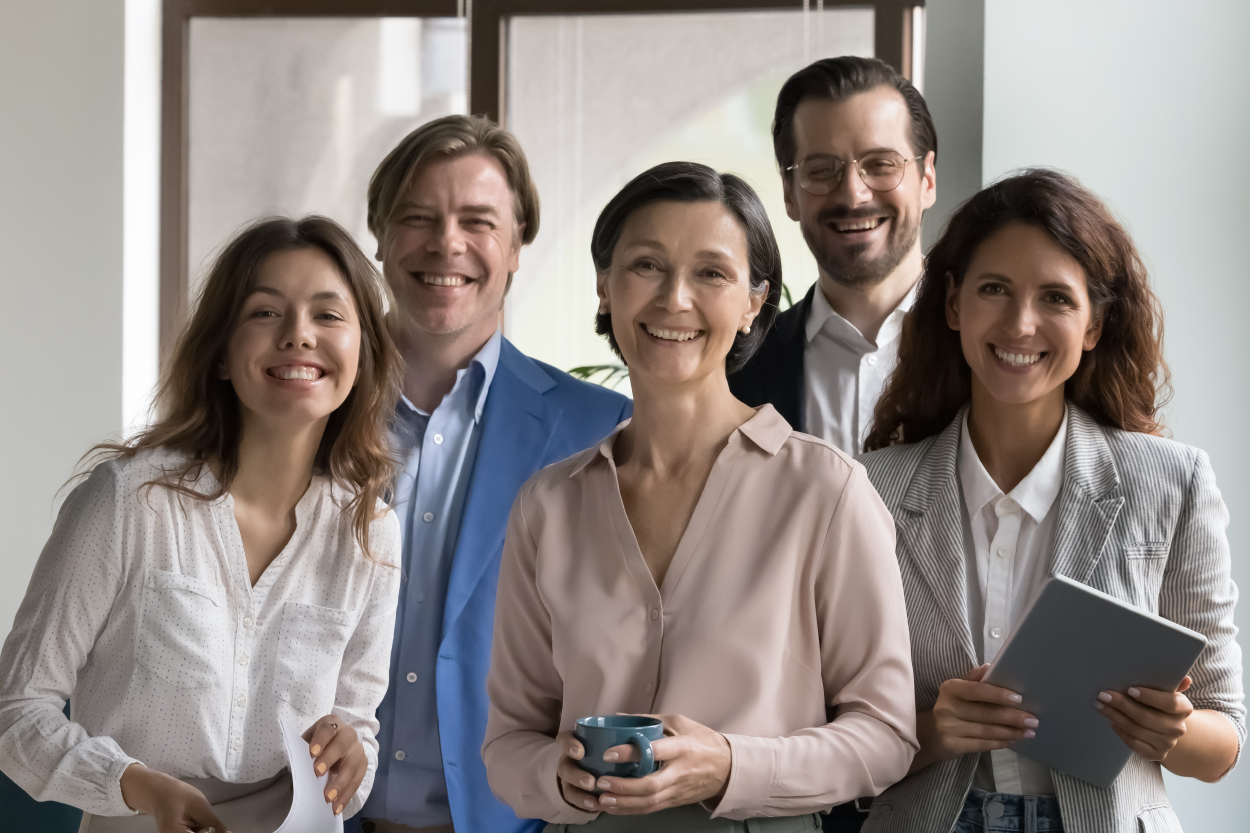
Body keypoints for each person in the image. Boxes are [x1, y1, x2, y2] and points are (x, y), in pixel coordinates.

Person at [482, 161, 917, 832]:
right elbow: (510, 740)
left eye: (711, 273)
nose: (674, 299)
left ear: (753, 301)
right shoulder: (548, 506)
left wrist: (731, 766)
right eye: (646, 266)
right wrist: (556, 779)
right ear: (604, 287)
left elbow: (886, 733)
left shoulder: (825, 491)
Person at [857, 169, 1245, 832]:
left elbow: (1223, 742)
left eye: (1056, 299)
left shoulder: (1173, 483)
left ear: (1094, 323)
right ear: (953, 305)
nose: (1021, 323)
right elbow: (828, 736)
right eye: (993, 290)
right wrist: (934, 731)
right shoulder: (868, 489)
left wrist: (1171, 730)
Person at [0, 216, 405, 832]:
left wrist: (355, 751)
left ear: (361, 356)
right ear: (220, 354)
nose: (299, 336)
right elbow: (16, 712)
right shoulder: (128, 503)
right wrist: (134, 785)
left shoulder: (371, 533)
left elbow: (357, 726)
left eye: (328, 315)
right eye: (266, 313)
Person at [352, 115, 632, 833]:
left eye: (478, 221)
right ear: (379, 237)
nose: (446, 243)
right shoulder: (304, 410)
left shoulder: (602, 431)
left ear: (515, 246)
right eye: (418, 217)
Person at [729, 55, 937, 457]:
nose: (853, 194)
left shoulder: (989, 348)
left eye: (881, 165)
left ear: (927, 179)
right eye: (822, 169)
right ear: (790, 193)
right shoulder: (738, 368)